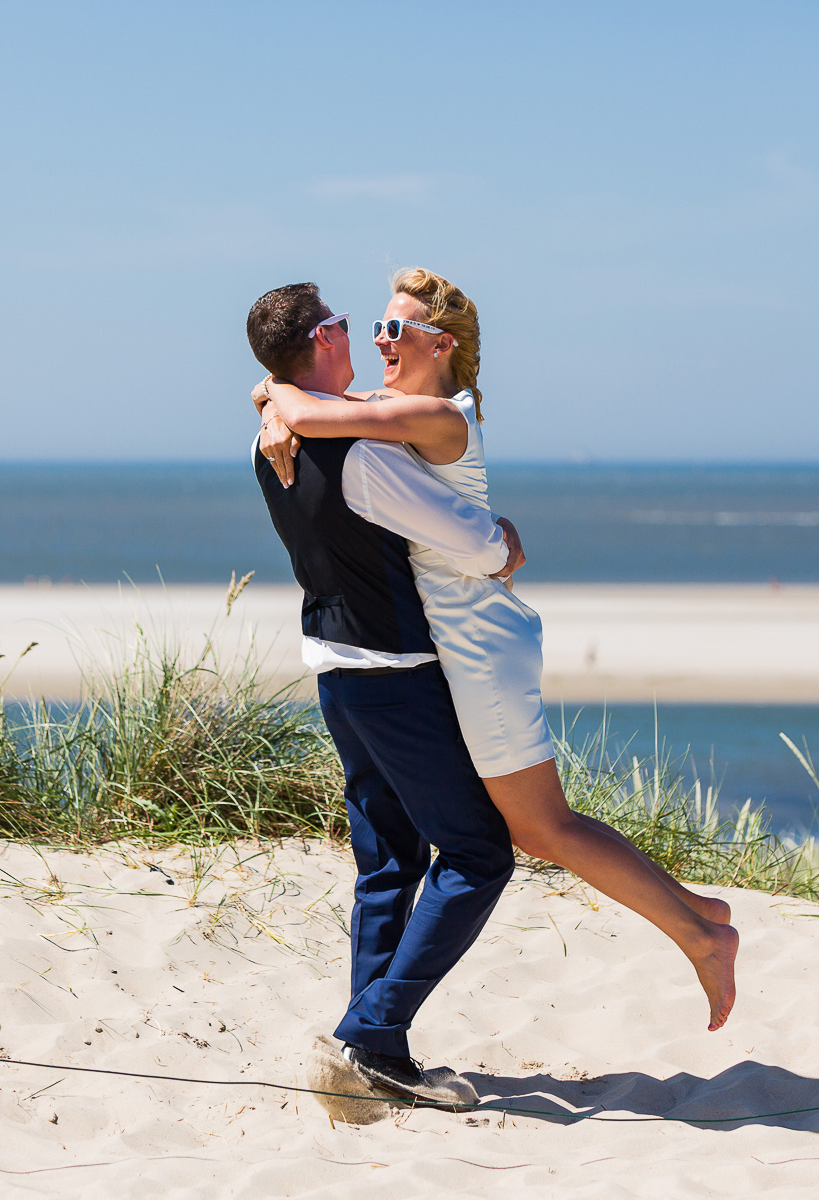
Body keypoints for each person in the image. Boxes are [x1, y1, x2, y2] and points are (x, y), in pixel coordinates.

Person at [255, 268, 739, 1031]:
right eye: (373, 326)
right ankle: (695, 914)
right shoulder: (375, 413)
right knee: (536, 826)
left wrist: (277, 399)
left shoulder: (434, 414)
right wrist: (276, 398)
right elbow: (311, 404)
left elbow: (312, 413)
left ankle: (699, 935)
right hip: (442, 646)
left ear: (441, 344)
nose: (380, 340)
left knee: (537, 828)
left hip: (478, 640)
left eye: (395, 329)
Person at [245, 282, 524, 1103]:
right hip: (395, 677)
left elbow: (277, 391)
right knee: (476, 855)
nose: (362, 335)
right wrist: (505, 544)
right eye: (345, 323)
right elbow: (472, 547)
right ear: (322, 341)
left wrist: (273, 399)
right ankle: (372, 1033)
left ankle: (376, 1047)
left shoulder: (271, 439)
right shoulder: (361, 452)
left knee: (387, 862)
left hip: (336, 675)